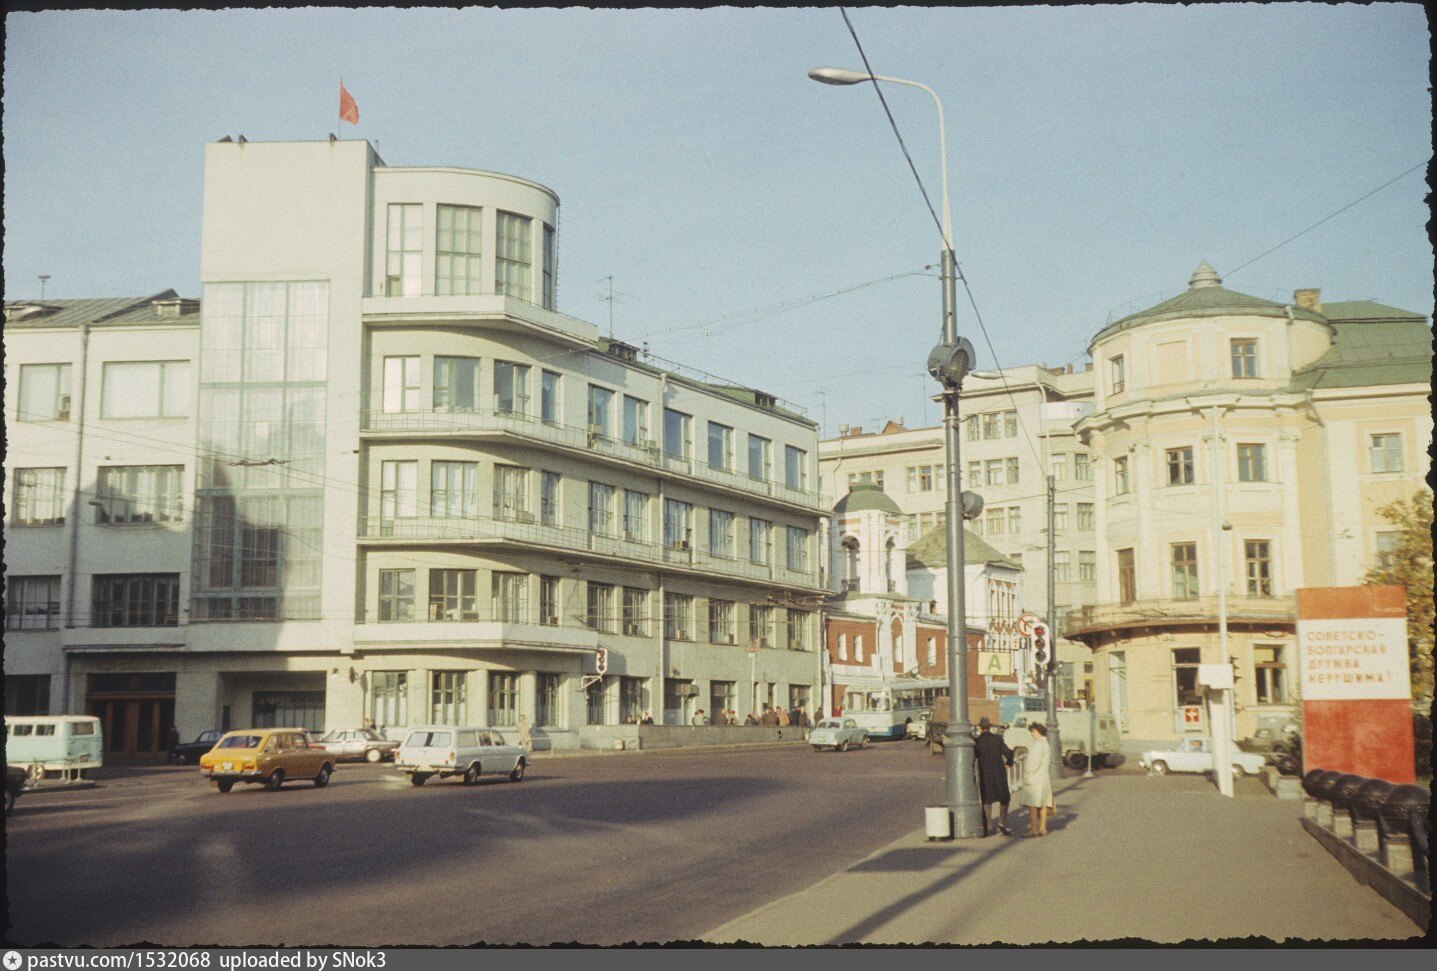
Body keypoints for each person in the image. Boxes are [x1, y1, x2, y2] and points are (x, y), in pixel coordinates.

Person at [974, 716, 1014, 836]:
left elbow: (973, 758)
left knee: (987, 800)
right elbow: (1009, 753)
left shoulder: (977, 742)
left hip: (985, 774)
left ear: (980, 728)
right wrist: (1008, 764)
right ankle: (1001, 823)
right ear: (990, 726)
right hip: (999, 773)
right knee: (1004, 798)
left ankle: (989, 825)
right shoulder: (997, 739)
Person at [1019, 721, 1055, 836]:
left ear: (1038, 731)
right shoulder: (1046, 744)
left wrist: (1027, 773)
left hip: (1034, 779)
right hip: (1044, 778)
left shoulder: (1038, 746)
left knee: (1033, 805)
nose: (1032, 734)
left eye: (1033, 732)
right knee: (1043, 803)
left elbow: (1033, 764)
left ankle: (1034, 828)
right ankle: (1043, 828)